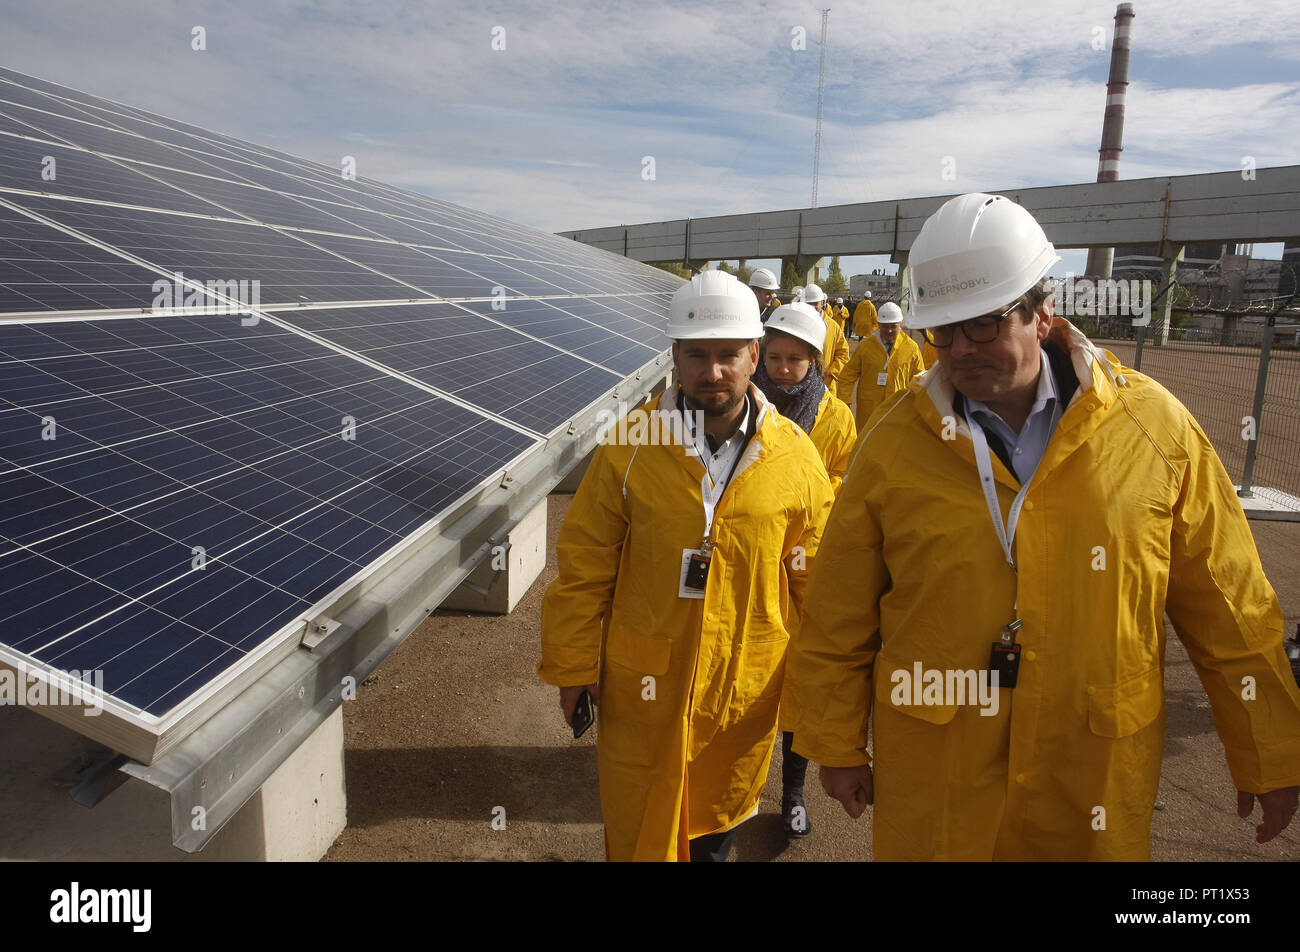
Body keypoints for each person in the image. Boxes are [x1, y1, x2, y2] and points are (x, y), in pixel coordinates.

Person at [787, 192, 1300, 860]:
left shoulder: (1154, 429)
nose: (961, 351)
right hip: (940, 773)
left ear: (1043, 312)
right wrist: (833, 742)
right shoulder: (893, 443)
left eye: (984, 325)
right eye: (944, 330)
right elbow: (838, 607)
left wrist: (1271, 752)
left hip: (1089, 772)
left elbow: (1229, 603)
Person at [540, 270, 835, 862]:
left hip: (742, 687)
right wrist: (572, 663)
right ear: (674, 356)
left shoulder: (795, 458)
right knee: (641, 826)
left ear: (754, 355)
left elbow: (816, 585)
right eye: (697, 354)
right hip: (644, 684)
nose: (713, 371)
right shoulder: (629, 447)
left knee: (713, 831)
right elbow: (584, 566)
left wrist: (819, 689)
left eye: (729, 355)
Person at [752, 302, 856, 837]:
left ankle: (793, 790)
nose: (784, 368)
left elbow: (842, 482)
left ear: (816, 360)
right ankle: (736, 782)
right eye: (775, 356)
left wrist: (809, 502)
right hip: (751, 560)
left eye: (796, 358)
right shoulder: (744, 407)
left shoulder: (836, 419)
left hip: (809, 564)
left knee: (799, 683)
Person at [836, 301, 924, 430]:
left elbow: (920, 379)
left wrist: (919, 407)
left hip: (897, 409)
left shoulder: (911, 348)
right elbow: (847, 375)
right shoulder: (865, 346)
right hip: (869, 410)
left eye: (893, 326)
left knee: (894, 445)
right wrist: (845, 400)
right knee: (867, 442)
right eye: (885, 326)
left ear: (900, 325)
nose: (889, 330)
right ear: (878, 325)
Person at [802, 283, 850, 389]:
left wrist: (830, 373)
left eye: (815, 303)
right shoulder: (796, 324)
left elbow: (843, 354)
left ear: (823, 302)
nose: (811, 307)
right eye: (808, 303)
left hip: (826, 386)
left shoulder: (833, 327)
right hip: (800, 385)